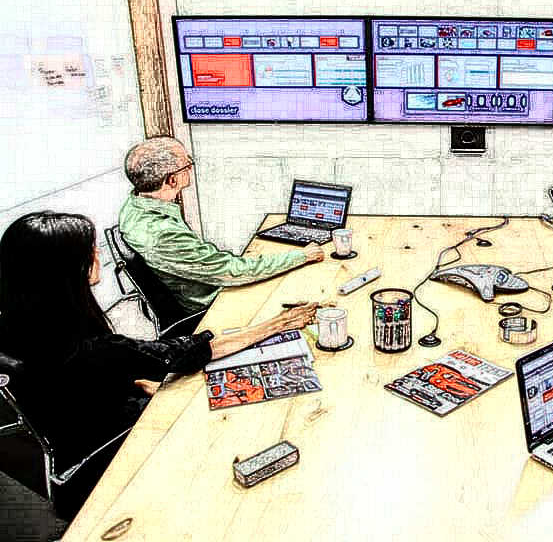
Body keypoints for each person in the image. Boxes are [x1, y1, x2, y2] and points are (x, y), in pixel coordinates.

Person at [0, 211, 318, 518]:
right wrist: (277, 324)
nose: (98, 253)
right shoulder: (89, 349)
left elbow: (89, 379)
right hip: (113, 459)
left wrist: (137, 382)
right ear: (69, 271)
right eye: (91, 250)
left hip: (75, 439)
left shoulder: (19, 329)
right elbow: (180, 354)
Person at [118, 136, 324, 314]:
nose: (190, 166)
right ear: (172, 180)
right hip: (215, 301)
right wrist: (302, 255)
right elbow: (232, 271)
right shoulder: (163, 235)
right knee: (308, 290)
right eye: (187, 164)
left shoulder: (133, 206)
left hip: (209, 281)